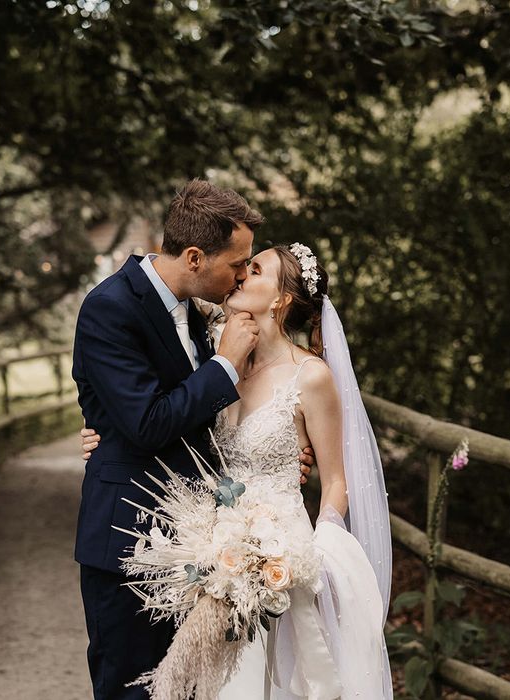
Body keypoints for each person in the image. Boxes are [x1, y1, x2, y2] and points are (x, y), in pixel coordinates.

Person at [83, 242, 394, 699]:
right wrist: (99, 434)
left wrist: (313, 554)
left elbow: (336, 483)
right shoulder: (217, 355)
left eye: (254, 269)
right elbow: (154, 410)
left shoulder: (311, 377)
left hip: (282, 564)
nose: (240, 275)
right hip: (212, 557)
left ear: (281, 299)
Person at [72, 179, 314, 700]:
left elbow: (213, 419)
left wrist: (279, 455)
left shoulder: (201, 308)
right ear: (195, 257)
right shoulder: (110, 308)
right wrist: (225, 362)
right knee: (131, 690)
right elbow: (146, 423)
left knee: (187, 690)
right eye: (238, 263)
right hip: (128, 541)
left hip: (199, 546)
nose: (243, 275)